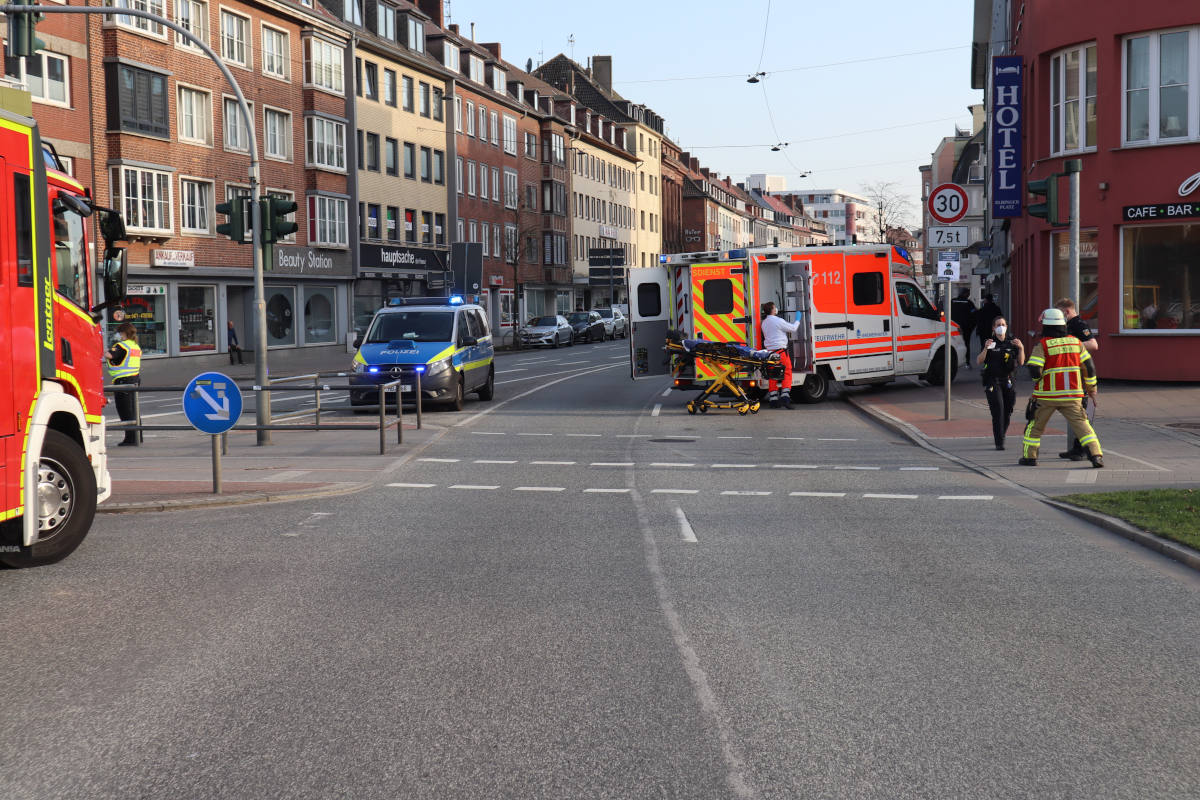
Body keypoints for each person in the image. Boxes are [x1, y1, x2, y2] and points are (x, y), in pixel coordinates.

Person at [1020, 307, 1102, 468]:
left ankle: (1030, 457)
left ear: (1045, 325)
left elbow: (1035, 369)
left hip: (1047, 397)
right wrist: (1092, 389)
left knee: (1034, 427)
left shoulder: (1042, 345)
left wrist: (1037, 379)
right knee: (1083, 427)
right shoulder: (1077, 343)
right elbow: (1089, 367)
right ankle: (1096, 456)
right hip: (1073, 396)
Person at [1055, 298, 1097, 461]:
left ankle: (1082, 450)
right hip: (1071, 374)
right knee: (1076, 413)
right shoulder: (1068, 326)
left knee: (1080, 413)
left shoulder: (1079, 324)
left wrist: (1071, 346)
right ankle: (1077, 448)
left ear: (1066, 311)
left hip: (1080, 373)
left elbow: (1093, 345)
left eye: (1060, 313)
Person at [976, 315, 1024, 450]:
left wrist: (1021, 348)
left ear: (1007, 327)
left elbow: (1021, 362)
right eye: (998, 325)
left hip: (1008, 380)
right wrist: (985, 348)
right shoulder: (990, 343)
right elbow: (979, 361)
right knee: (998, 410)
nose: (1000, 327)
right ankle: (999, 441)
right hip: (993, 381)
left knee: (1008, 410)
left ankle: (1001, 433)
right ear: (993, 328)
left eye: (1003, 324)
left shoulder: (1012, 343)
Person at [105, 322, 142, 446]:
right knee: (134, 409)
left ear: (123, 333)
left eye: (119, 332)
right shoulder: (135, 346)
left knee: (125, 410)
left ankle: (130, 439)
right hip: (135, 379)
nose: (119, 335)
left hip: (123, 381)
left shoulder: (121, 346)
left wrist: (104, 351)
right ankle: (138, 436)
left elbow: (110, 355)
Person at [760, 301, 800, 408]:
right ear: (773, 310)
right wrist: (797, 320)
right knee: (787, 372)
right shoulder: (778, 321)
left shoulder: (764, 323)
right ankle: (785, 397)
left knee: (772, 374)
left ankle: (773, 400)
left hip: (769, 353)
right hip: (781, 352)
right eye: (775, 307)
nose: (776, 308)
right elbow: (793, 328)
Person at [950, 288, 978, 367]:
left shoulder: (952, 301)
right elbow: (975, 315)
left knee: (952, 344)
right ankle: (967, 362)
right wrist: (971, 327)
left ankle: (952, 362)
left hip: (953, 327)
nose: (969, 295)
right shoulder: (969, 303)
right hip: (965, 328)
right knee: (966, 344)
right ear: (965, 294)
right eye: (968, 293)